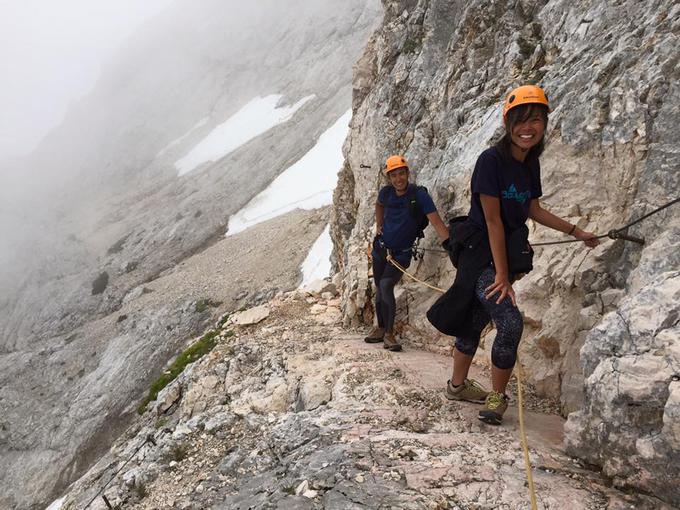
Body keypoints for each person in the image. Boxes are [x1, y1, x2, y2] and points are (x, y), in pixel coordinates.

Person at [442, 85, 599, 425]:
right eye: (520, 120)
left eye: (536, 120)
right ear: (508, 123)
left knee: (476, 318)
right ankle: (497, 396)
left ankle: (456, 386)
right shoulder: (490, 161)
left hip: (503, 254)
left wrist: (576, 232)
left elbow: (532, 209)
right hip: (480, 252)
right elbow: (493, 220)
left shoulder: (530, 163)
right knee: (509, 322)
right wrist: (502, 275)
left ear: (545, 123)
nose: (528, 127)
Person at [364, 155, 450, 351]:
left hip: (401, 253)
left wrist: (451, 246)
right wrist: (379, 225)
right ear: (389, 178)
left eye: (401, 174)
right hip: (381, 248)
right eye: (393, 175)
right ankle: (380, 329)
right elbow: (379, 205)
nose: (398, 179)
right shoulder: (386, 193)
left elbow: (436, 222)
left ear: (407, 173)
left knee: (386, 284)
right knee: (379, 286)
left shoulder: (418, 195)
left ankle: (389, 334)